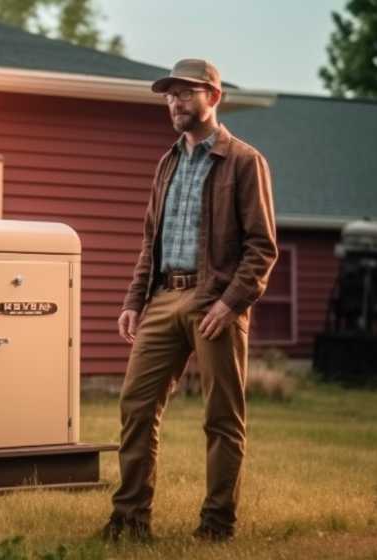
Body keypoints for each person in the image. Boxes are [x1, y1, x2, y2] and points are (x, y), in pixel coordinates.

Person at [101, 59, 278, 543]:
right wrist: (135, 300)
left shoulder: (244, 161)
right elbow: (149, 239)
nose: (175, 103)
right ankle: (130, 521)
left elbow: (262, 247)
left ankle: (217, 524)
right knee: (136, 406)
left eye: (185, 93)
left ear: (213, 97)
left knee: (222, 418)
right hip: (162, 299)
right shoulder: (168, 161)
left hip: (214, 303)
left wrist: (230, 302)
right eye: (169, 95)